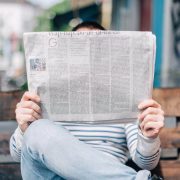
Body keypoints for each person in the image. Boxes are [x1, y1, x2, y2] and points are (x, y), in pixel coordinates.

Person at [10, 21, 164, 180]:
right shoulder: (42, 97)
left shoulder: (126, 101)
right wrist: (24, 130)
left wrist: (149, 138)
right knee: (38, 130)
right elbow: (19, 156)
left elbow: (146, 163)